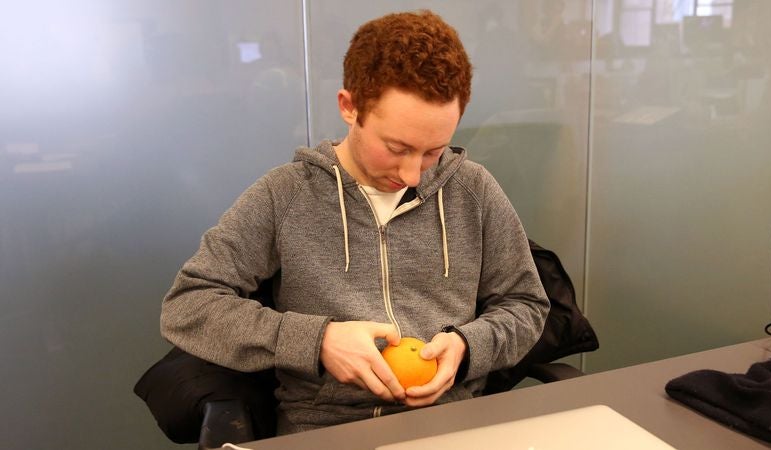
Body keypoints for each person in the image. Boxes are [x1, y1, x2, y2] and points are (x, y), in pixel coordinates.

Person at [160, 9, 550, 435]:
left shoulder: (472, 191)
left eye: (433, 151)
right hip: (325, 428)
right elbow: (188, 306)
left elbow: (526, 305)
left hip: (451, 423)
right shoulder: (287, 194)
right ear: (350, 107)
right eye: (397, 147)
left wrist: (467, 346)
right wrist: (318, 340)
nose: (413, 175)